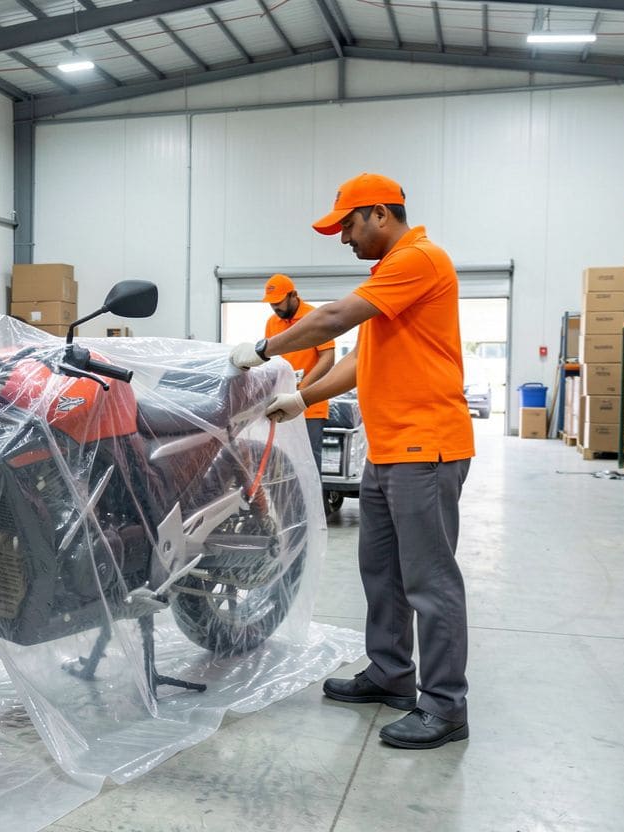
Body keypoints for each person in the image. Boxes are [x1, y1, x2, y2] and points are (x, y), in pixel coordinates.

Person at [230, 173, 474, 749]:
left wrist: (264, 349)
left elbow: (334, 319)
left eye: (347, 225)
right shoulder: (391, 276)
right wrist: (303, 398)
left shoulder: (419, 259)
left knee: (430, 580)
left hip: (426, 447)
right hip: (388, 448)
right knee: (381, 572)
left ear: (380, 214)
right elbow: (363, 359)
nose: (343, 238)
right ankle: (391, 673)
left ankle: (445, 706)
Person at [260, 273, 335, 472]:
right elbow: (270, 360)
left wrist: (302, 389)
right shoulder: (272, 322)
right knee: (284, 463)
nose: (275, 307)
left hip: (310, 404)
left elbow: (328, 357)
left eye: (278, 302)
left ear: (293, 295)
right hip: (282, 403)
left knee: (309, 463)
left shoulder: (314, 318)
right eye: (271, 303)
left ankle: (315, 495)